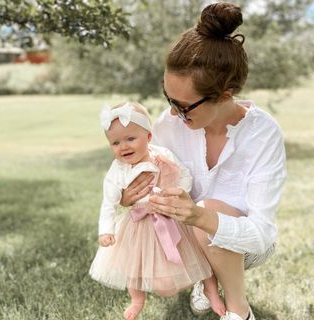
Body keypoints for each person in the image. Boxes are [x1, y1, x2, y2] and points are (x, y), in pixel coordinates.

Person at [120, 3, 286, 320]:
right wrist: (131, 196)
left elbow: (262, 235)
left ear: (225, 94)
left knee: (211, 207)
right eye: (169, 99)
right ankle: (203, 274)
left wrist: (198, 215)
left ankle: (239, 310)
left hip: (246, 243)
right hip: (184, 236)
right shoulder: (169, 125)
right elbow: (143, 179)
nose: (173, 113)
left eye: (184, 106)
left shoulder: (263, 134)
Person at [89, 101, 228, 320]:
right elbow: (109, 202)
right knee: (133, 265)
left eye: (130, 139)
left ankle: (210, 288)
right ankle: (137, 298)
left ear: (148, 137)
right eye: (115, 143)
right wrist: (106, 231)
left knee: (195, 257)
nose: (123, 147)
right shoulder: (118, 170)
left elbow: (184, 175)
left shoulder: (162, 156)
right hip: (138, 224)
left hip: (170, 217)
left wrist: (176, 192)